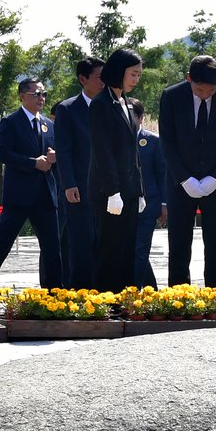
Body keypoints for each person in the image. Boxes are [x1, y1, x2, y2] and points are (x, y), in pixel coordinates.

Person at [0, 78, 64, 294]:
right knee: (2, 245)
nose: (41, 98)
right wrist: (33, 163)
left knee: (52, 248)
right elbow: (3, 153)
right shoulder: (11, 122)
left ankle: (55, 295)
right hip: (19, 196)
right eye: (36, 94)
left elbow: (56, 154)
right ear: (22, 96)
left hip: (46, 196)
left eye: (44, 94)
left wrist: (54, 157)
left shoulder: (49, 124)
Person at [157, 55, 216, 289]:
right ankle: (179, 295)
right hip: (180, 181)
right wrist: (184, 178)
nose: (205, 94)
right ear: (189, 79)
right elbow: (168, 141)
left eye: (211, 91)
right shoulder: (172, 96)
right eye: (200, 90)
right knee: (179, 242)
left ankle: (214, 295)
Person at [87, 49, 145, 293]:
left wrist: (139, 191)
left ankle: (126, 300)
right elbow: (103, 151)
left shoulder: (128, 104)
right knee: (110, 249)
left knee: (128, 248)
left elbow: (133, 152)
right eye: (132, 74)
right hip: (109, 190)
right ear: (119, 71)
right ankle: (106, 301)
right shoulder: (100, 104)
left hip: (129, 189)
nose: (136, 79)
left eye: (139, 75)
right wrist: (112, 191)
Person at [52, 56, 105, 287]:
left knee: (106, 245)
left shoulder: (112, 105)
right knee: (81, 244)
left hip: (109, 189)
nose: (104, 82)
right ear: (83, 79)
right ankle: (80, 294)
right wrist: (69, 184)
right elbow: (64, 150)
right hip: (79, 189)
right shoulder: (68, 109)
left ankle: (105, 293)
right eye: (99, 77)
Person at [132, 99, 166, 287]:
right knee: (131, 250)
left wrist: (164, 204)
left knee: (140, 249)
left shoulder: (153, 141)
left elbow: (162, 174)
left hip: (150, 203)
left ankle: (133, 292)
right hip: (123, 204)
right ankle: (151, 288)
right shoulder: (116, 138)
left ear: (140, 118)